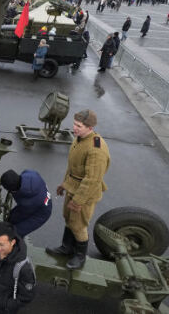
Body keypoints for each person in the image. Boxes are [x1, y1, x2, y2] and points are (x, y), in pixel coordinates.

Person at [46, 109, 110, 270]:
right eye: (75, 124)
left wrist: (78, 201)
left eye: (79, 126)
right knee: (68, 217)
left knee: (79, 224)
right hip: (73, 187)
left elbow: (92, 180)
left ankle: (80, 256)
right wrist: (64, 184)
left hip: (85, 193)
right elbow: (73, 167)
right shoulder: (80, 138)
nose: (75, 128)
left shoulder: (96, 149)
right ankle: (67, 248)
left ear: (90, 127)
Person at [0, 169, 52, 238]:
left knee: (17, 231)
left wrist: (10, 222)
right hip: (41, 196)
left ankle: (16, 246)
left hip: (42, 213)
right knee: (12, 218)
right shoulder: (29, 174)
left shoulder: (28, 202)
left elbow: (21, 214)